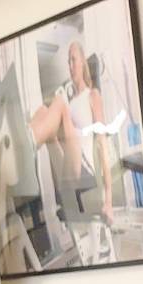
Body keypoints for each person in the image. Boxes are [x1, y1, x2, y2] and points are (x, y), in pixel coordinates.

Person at [27, 38, 114, 228]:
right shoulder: (71, 101)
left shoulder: (92, 95)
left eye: (74, 59)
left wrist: (108, 200)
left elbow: (102, 143)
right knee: (43, 110)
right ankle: (26, 141)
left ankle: (28, 142)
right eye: (69, 61)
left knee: (59, 102)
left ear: (82, 62)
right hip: (69, 169)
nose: (71, 65)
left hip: (85, 172)